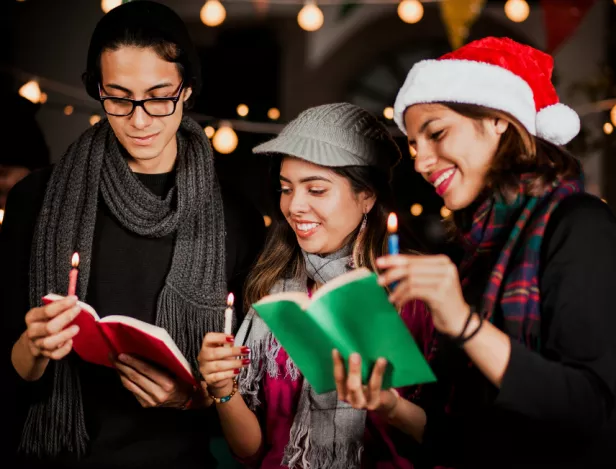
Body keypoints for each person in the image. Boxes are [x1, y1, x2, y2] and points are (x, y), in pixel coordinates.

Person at [0, 2, 264, 468]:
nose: (139, 120)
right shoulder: (34, 199)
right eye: (118, 97)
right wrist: (31, 347)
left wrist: (192, 399)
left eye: (159, 96)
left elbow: (252, 397)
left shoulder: (235, 216)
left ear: (187, 91)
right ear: (96, 89)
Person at [372, 37, 616, 468]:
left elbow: (591, 411)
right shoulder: (472, 253)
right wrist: (390, 406)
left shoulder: (579, 225)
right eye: (413, 144)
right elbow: (467, 440)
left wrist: (464, 324)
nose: (421, 161)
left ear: (498, 120)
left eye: (437, 133)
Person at [198, 102, 433, 469]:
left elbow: (449, 443)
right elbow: (250, 451)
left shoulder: (414, 294)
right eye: (286, 188)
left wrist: (389, 404)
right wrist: (222, 391)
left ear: (366, 196)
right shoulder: (274, 290)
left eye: (317, 190)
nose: (295, 206)